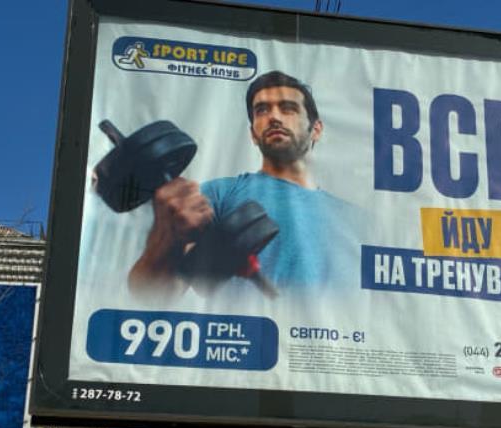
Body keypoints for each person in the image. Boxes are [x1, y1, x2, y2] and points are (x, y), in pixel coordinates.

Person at [129, 71, 361, 298]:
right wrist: (166, 236)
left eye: (288, 108)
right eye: (262, 110)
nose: (274, 117)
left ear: (316, 130)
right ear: (253, 134)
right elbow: (153, 294)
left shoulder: (356, 220)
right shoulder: (217, 195)